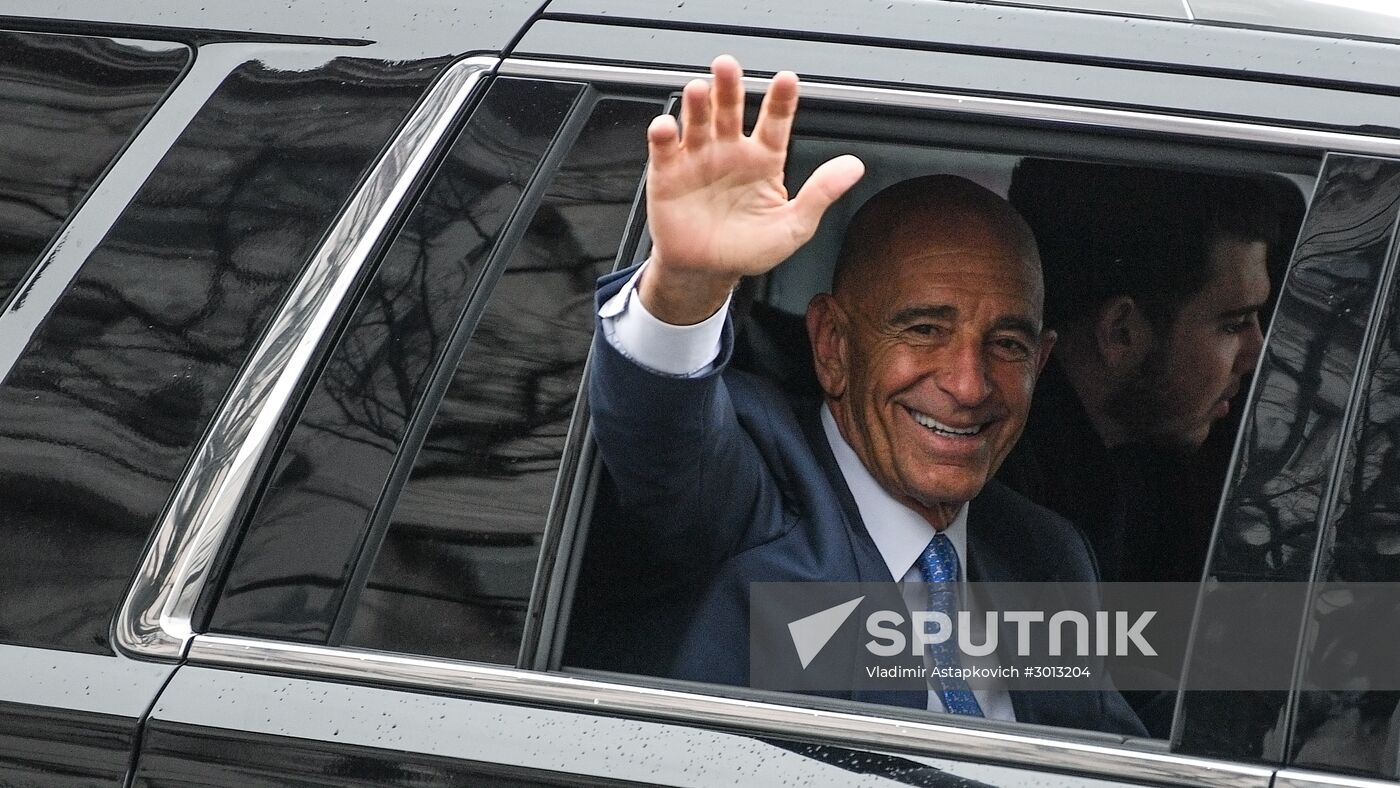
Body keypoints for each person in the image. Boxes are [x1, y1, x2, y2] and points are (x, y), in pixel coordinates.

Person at [567, 55, 1144, 736]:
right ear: (834, 346)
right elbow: (661, 433)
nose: (968, 383)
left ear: (1042, 363)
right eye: (925, 330)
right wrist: (688, 288)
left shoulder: (1045, 558)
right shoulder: (751, 490)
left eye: (1007, 345)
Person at [997, 159, 1300, 736]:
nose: (1257, 351)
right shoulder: (1006, 513)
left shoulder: (1154, 473)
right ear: (1122, 333)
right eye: (1233, 324)